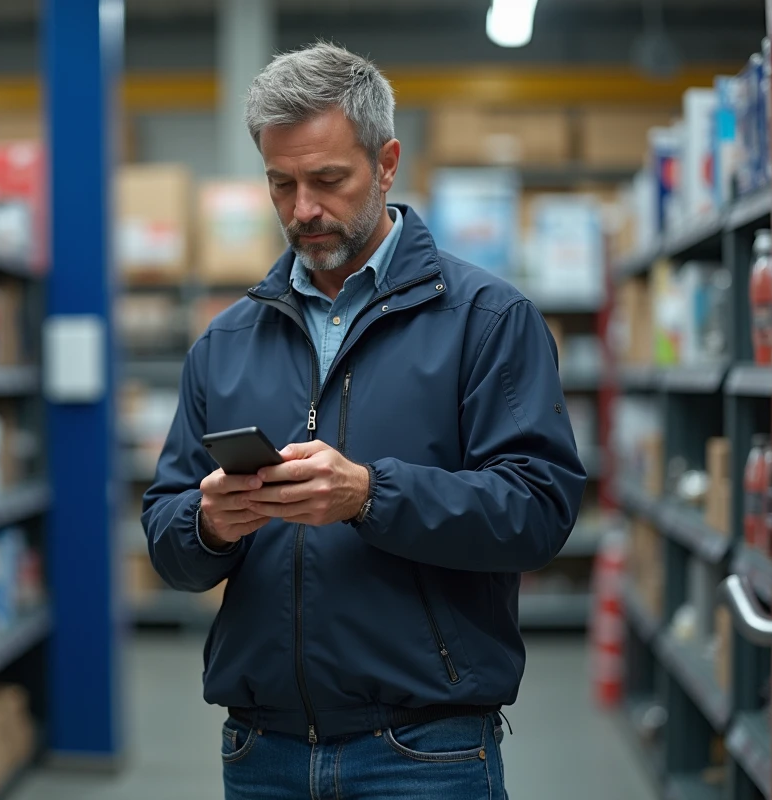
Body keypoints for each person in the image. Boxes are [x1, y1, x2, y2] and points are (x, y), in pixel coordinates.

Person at [142, 41, 585, 800]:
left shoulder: (486, 320)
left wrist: (372, 496)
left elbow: (538, 511)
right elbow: (168, 537)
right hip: (261, 750)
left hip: (425, 751)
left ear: (386, 164)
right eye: (281, 184)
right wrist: (208, 524)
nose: (303, 210)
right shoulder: (225, 342)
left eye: (328, 180)